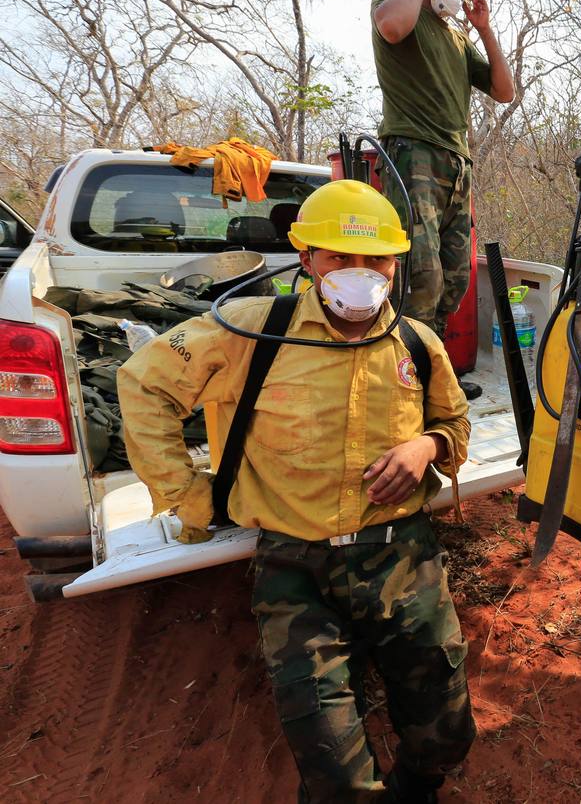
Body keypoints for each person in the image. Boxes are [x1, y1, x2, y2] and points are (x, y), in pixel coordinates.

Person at [118, 180, 477, 802]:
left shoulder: (417, 341)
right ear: (307, 258)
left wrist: (428, 447)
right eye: (340, 258)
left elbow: (455, 424)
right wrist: (188, 494)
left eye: (376, 260)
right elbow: (144, 385)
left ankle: (416, 784)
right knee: (333, 769)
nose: (359, 274)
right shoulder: (250, 330)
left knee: (446, 733)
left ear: (396, 264)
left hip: (401, 555)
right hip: (295, 568)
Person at [371, 0, 514, 332]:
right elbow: (392, 28)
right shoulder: (392, 2)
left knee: (455, 280)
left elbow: (505, 91)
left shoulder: (458, 37)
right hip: (412, 150)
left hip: (457, 163)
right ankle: (407, 376)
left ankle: (431, 367)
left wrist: (483, 29)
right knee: (420, 276)